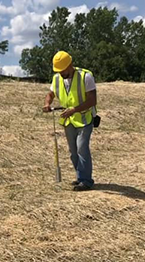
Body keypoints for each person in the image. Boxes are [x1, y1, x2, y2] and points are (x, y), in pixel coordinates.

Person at [43, 51, 97, 191]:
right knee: (73, 152)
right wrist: (47, 104)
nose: (61, 73)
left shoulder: (86, 76)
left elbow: (92, 100)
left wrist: (74, 110)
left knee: (81, 148)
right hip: (69, 121)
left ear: (70, 65)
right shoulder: (57, 79)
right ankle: (80, 177)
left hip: (85, 119)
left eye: (63, 70)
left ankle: (86, 181)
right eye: (59, 71)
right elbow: (50, 94)